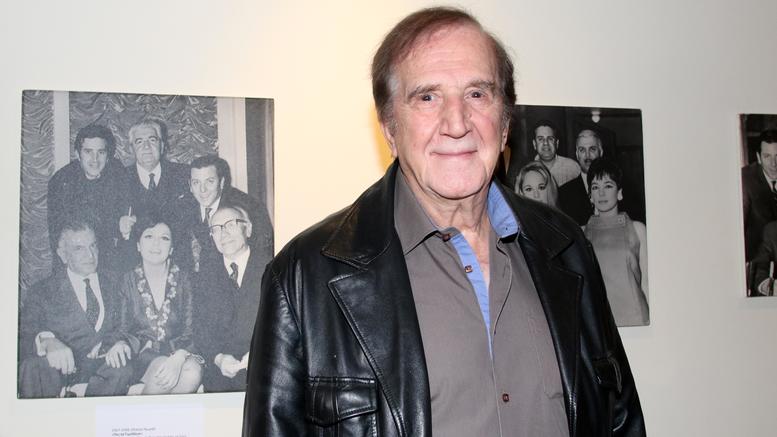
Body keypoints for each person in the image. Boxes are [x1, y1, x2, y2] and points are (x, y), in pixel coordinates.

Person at [243, 7, 644, 437]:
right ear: (389, 127)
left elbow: (620, 421)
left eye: (477, 94)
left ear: (505, 122)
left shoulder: (567, 247)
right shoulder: (305, 277)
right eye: (427, 98)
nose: (456, 124)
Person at [19, 218, 133, 398]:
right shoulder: (42, 291)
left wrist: (115, 344)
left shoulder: (115, 283)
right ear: (63, 255)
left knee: (122, 368)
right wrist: (46, 341)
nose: (90, 255)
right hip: (58, 374)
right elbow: (23, 336)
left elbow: (126, 327)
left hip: (103, 374)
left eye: (93, 246)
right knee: (33, 366)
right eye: (79, 248)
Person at [116, 216, 202, 394]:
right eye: (149, 236)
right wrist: (121, 344)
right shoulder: (127, 280)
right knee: (164, 372)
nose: (156, 244)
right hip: (142, 355)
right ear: (138, 245)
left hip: (181, 352)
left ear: (171, 249)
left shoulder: (185, 280)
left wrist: (179, 356)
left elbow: (191, 329)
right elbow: (122, 329)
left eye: (164, 238)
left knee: (192, 372)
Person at [195, 206, 265, 392]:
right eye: (216, 229)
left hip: (266, 366)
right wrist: (218, 358)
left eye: (230, 225)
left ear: (248, 229)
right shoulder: (205, 276)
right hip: (221, 373)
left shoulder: (271, 266)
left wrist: (261, 352)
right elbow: (200, 328)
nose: (223, 233)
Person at [47, 124, 128, 268]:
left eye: (101, 152)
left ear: (108, 156)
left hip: (109, 257)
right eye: (88, 152)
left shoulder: (118, 174)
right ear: (78, 154)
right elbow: (59, 239)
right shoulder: (61, 182)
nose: (95, 159)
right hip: (75, 259)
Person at [176, 155, 273, 272]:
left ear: (221, 182)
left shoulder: (250, 207)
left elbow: (264, 253)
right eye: (196, 182)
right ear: (190, 186)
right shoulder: (181, 208)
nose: (203, 190)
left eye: (210, 181)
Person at [584, 158, 649, 327]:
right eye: (595, 187)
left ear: (619, 192)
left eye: (608, 186)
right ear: (590, 196)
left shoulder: (637, 229)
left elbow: (646, 282)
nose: (601, 193)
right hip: (600, 323)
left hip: (635, 319)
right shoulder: (581, 234)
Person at [118, 118, 190, 252]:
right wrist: (120, 225)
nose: (146, 147)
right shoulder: (118, 179)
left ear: (161, 146)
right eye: (139, 141)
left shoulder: (183, 174)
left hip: (177, 258)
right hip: (132, 259)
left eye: (152, 140)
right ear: (131, 149)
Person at [742, 129, 777, 264]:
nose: (774, 164)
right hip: (757, 264)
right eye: (767, 156)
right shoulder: (745, 180)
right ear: (758, 157)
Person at [558, 129, 603, 225]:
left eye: (592, 149)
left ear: (601, 152)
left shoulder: (616, 188)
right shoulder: (564, 194)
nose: (587, 155)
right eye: (582, 150)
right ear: (577, 154)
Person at [532, 120, 581, 187]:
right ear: (534, 144)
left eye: (550, 138)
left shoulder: (572, 168)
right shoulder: (529, 170)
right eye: (540, 139)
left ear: (557, 143)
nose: (545, 143)